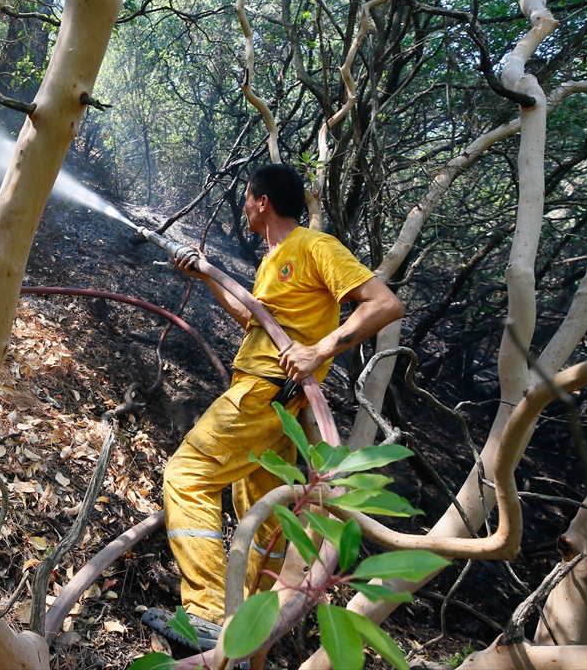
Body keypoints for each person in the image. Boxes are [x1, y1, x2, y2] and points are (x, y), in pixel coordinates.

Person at [142, 164, 404, 651]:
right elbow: (253, 318)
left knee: (187, 473)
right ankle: (243, 631)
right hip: (275, 400)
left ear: (261, 202)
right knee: (256, 512)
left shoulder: (315, 246)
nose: (244, 207)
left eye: (246, 198)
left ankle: (205, 611)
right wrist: (206, 276)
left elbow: (384, 303)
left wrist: (319, 350)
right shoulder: (273, 259)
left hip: (265, 389)